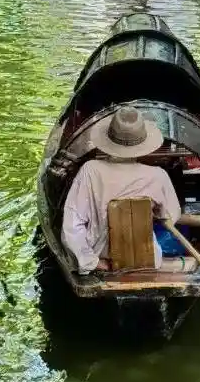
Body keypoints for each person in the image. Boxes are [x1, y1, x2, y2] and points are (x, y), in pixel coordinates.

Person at [61, 106, 181, 275]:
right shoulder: (158, 176)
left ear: (109, 139)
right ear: (142, 142)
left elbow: (72, 225)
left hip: (102, 259)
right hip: (146, 260)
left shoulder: (91, 170)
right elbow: (170, 216)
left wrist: (92, 262)